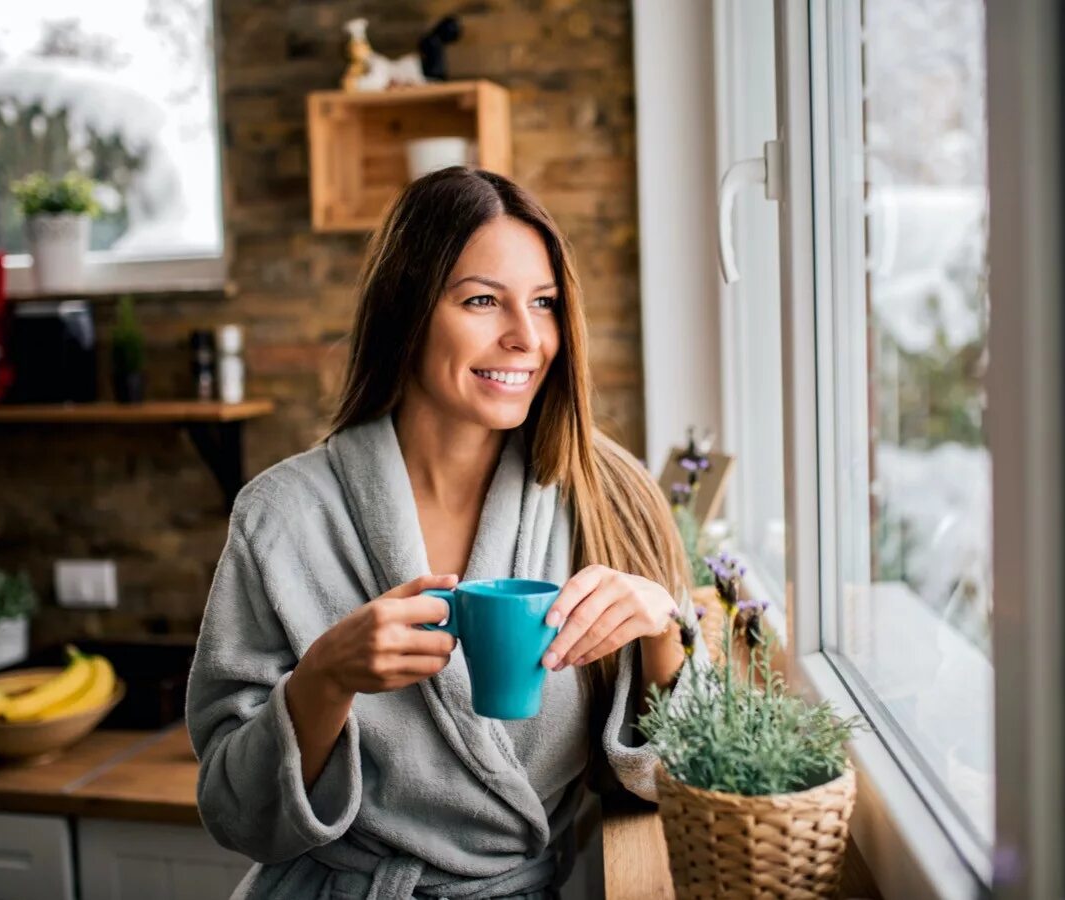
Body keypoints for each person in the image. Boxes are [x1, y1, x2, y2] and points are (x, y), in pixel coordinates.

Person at [186, 167, 703, 899]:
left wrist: (660, 631)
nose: (526, 337)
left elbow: (676, 779)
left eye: (545, 303)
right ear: (408, 310)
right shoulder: (282, 516)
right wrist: (324, 679)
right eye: (483, 300)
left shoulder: (606, 495)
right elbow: (236, 813)